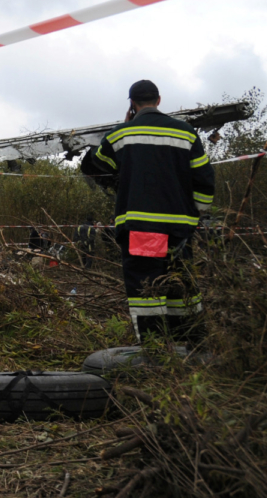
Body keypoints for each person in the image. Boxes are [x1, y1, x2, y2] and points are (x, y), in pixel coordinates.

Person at [90, 80, 214, 344]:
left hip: (142, 230)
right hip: (180, 231)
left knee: (146, 288)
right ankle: (191, 345)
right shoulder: (187, 133)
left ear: (132, 104)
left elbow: (97, 165)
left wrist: (124, 127)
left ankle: (156, 350)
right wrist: (197, 217)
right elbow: (204, 180)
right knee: (182, 284)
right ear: (159, 100)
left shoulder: (120, 134)